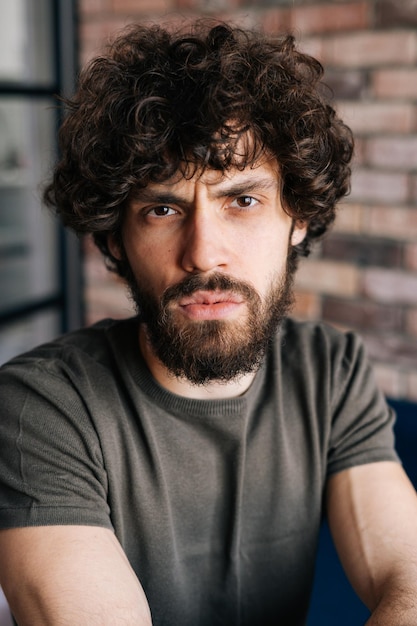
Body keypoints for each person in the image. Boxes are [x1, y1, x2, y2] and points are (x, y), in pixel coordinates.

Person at [0, 20, 416, 626]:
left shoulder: (331, 370)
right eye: (163, 208)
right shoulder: (39, 407)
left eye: (242, 201)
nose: (203, 252)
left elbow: (407, 576)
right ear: (116, 237)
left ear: (297, 217)